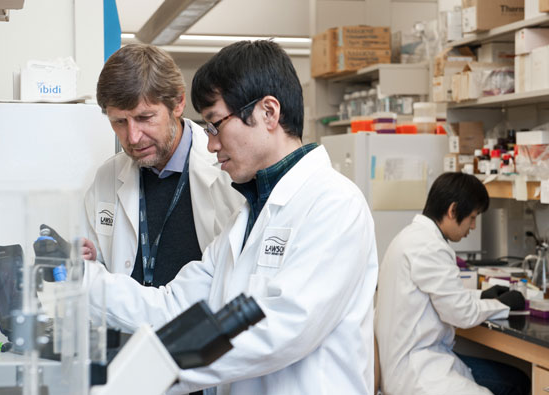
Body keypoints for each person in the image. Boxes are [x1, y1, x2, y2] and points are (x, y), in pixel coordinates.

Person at [84, 40, 378, 394]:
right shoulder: (247, 218)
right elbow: (175, 305)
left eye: (215, 125)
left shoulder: (334, 204)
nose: (210, 144)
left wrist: (137, 379)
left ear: (268, 113)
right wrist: (78, 280)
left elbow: (277, 331)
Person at [82, 44, 244, 288]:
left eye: (144, 118)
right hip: (128, 326)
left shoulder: (228, 173)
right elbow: (94, 270)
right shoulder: (108, 178)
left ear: (178, 103)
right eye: (119, 122)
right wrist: (85, 263)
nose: (133, 137)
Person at [375, 172, 529, 395]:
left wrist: (483, 296)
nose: (473, 226)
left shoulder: (409, 238)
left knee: (514, 379)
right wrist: (504, 304)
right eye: (473, 217)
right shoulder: (430, 247)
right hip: (417, 371)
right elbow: (461, 314)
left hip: (407, 361)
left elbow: (440, 294)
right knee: (516, 384)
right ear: (453, 210)